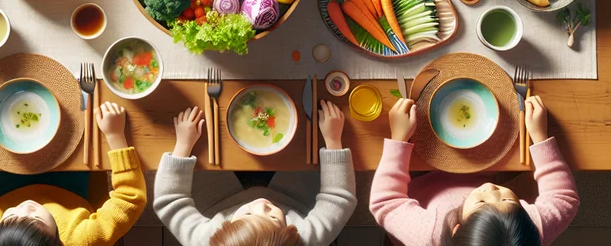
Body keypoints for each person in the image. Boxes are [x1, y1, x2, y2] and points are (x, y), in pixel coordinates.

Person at [369, 96, 579, 246]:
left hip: (421, 178)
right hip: (482, 167)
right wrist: (540, 137)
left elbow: (385, 202)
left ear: (457, 228)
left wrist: (398, 138)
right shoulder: (527, 231)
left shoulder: (428, 234)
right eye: (507, 201)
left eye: (481, 202)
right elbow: (563, 200)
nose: (492, 191)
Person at [0, 100, 146, 246]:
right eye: (37, 221)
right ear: (58, 241)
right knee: (73, 123)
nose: (26, 206)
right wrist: (116, 135)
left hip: (1, 187)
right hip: (69, 188)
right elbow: (130, 198)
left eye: (12, 217)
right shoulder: (83, 239)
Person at [153, 102, 356, 246]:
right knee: (305, 140)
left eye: (249, 214)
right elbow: (338, 198)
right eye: (275, 219)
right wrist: (333, 141)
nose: (261, 203)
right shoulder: (304, 239)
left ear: (224, 230)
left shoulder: (206, 240)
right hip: (291, 191)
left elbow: (169, 200)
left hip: (219, 194)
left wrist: (183, 145)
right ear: (290, 233)